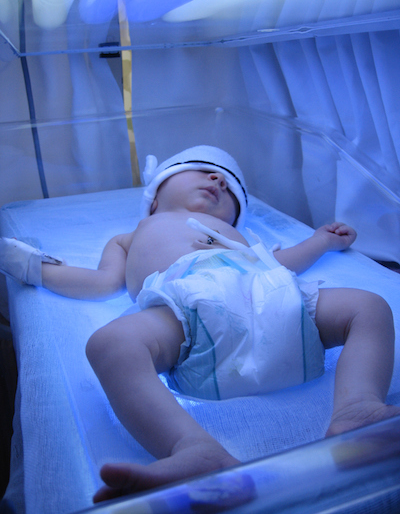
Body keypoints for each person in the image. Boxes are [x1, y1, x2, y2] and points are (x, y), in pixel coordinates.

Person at [1, 145, 399, 503]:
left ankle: (357, 407)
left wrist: (322, 241)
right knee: (110, 344)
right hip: (185, 313)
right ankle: (192, 448)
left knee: (369, 307)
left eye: (229, 190)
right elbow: (102, 283)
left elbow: (280, 264)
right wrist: (35, 268)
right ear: (154, 196)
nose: (218, 180)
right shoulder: (130, 235)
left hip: (268, 296)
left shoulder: (236, 235)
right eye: (203, 170)